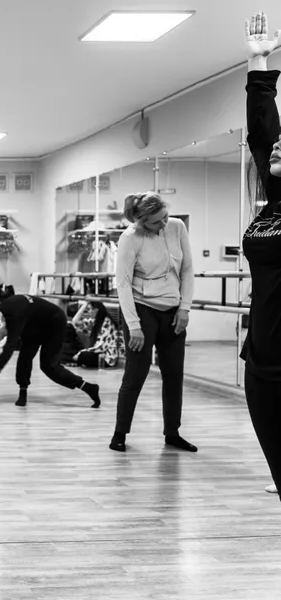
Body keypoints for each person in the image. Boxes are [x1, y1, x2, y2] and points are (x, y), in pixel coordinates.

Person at [109, 192, 195, 453]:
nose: (163, 224)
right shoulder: (130, 238)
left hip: (173, 311)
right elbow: (123, 284)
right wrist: (133, 325)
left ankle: (173, 433)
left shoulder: (177, 227)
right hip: (142, 310)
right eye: (156, 222)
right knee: (136, 374)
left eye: (165, 217)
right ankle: (119, 433)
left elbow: (187, 269)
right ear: (141, 222)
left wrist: (185, 308)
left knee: (174, 375)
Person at [242, 12, 281, 499]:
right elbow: (261, 134)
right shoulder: (273, 205)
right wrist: (259, 64)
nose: (276, 146)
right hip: (261, 363)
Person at [0, 295, 102, 408]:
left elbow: (8, 349)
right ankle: (22, 394)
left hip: (54, 322)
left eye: (1, 336)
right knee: (24, 358)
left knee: (49, 367)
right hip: (34, 325)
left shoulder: (14, 316)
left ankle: (88, 387)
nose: (3, 337)